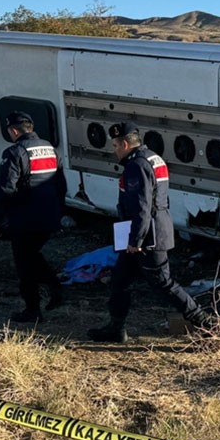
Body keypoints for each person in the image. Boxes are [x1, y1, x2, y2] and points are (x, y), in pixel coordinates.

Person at [87, 121, 209, 343]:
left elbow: (142, 207)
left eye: (115, 145)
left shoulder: (137, 166)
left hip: (146, 236)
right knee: (119, 281)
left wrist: (136, 240)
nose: (114, 151)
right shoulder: (153, 157)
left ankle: (206, 323)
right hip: (148, 230)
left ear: (125, 144)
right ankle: (116, 328)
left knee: (163, 282)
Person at [0, 111, 67, 322]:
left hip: (26, 218)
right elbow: (60, 185)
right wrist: (59, 212)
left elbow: (5, 188)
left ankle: (33, 310)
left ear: (14, 131)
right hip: (49, 216)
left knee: (24, 264)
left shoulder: (15, 152)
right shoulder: (50, 149)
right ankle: (54, 287)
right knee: (32, 255)